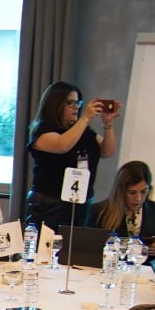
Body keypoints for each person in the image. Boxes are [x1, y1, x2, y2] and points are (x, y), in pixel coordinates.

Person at [25, 81, 120, 232]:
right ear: (55, 105)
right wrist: (85, 118)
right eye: (70, 103)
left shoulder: (81, 130)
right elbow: (62, 145)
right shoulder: (42, 130)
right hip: (51, 202)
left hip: (80, 199)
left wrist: (107, 125)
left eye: (78, 102)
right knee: (48, 244)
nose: (76, 107)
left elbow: (107, 151)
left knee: (75, 244)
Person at [84, 160, 155, 255]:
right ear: (120, 191)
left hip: (147, 264)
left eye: (144, 191)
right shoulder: (99, 211)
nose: (138, 198)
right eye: (132, 193)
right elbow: (88, 249)